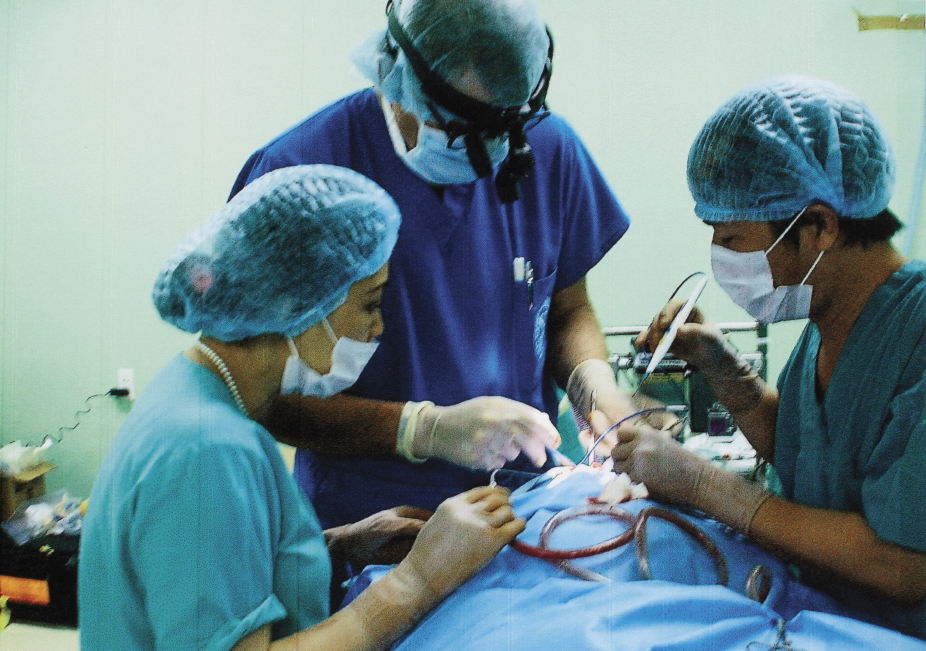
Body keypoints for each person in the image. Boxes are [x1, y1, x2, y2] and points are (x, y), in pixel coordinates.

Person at [229, 0, 659, 530]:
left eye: (500, 131)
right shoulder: (302, 174)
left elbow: (568, 309)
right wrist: (421, 429)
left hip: (531, 506)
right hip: (376, 521)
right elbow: (261, 392)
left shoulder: (544, 145)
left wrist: (596, 388)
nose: (486, 152)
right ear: (397, 74)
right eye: (461, 132)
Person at [78, 165, 525, 651]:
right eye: (370, 304)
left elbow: (214, 566)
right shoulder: (208, 449)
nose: (378, 328)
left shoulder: (192, 393)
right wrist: (418, 580)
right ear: (298, 302)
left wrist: (336, 545)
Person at [609, 75, 926, 639]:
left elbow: (903, 563)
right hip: (824, 615)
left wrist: (704, 486)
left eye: (731, 239)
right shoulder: (829, 316)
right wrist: (723, 368)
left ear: (820, 226)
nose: (720, 258)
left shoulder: (915, 334)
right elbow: (809, 452)